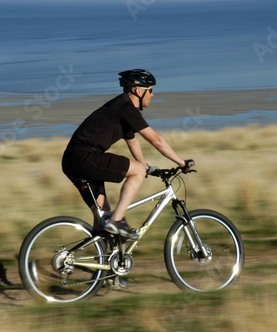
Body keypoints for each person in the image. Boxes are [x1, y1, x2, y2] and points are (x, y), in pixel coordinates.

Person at [62, 69, 191, 241]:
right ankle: (117, 221)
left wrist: (145, 167)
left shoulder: (121, 107)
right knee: (134, 174)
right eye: (150, 90)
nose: (152, 95)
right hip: (85, 157)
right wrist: (182, 163)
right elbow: (156, 140)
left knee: (103, 214)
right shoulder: (126, 108)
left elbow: (133, 141)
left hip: (73, 160)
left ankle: (101, 263)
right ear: (139, 91)